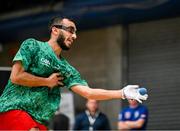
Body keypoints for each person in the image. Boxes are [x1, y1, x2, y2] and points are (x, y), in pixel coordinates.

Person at [0, 17, 148, 131]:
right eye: (71, 30)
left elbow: (89, 93)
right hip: (12, 110)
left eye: (75, 32)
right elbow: (16, 76)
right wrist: (46, 81)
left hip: (38, 120)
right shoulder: (32, 45)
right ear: (55, 30)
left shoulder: (66, 69)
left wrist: (122, 93)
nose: (75, 36)